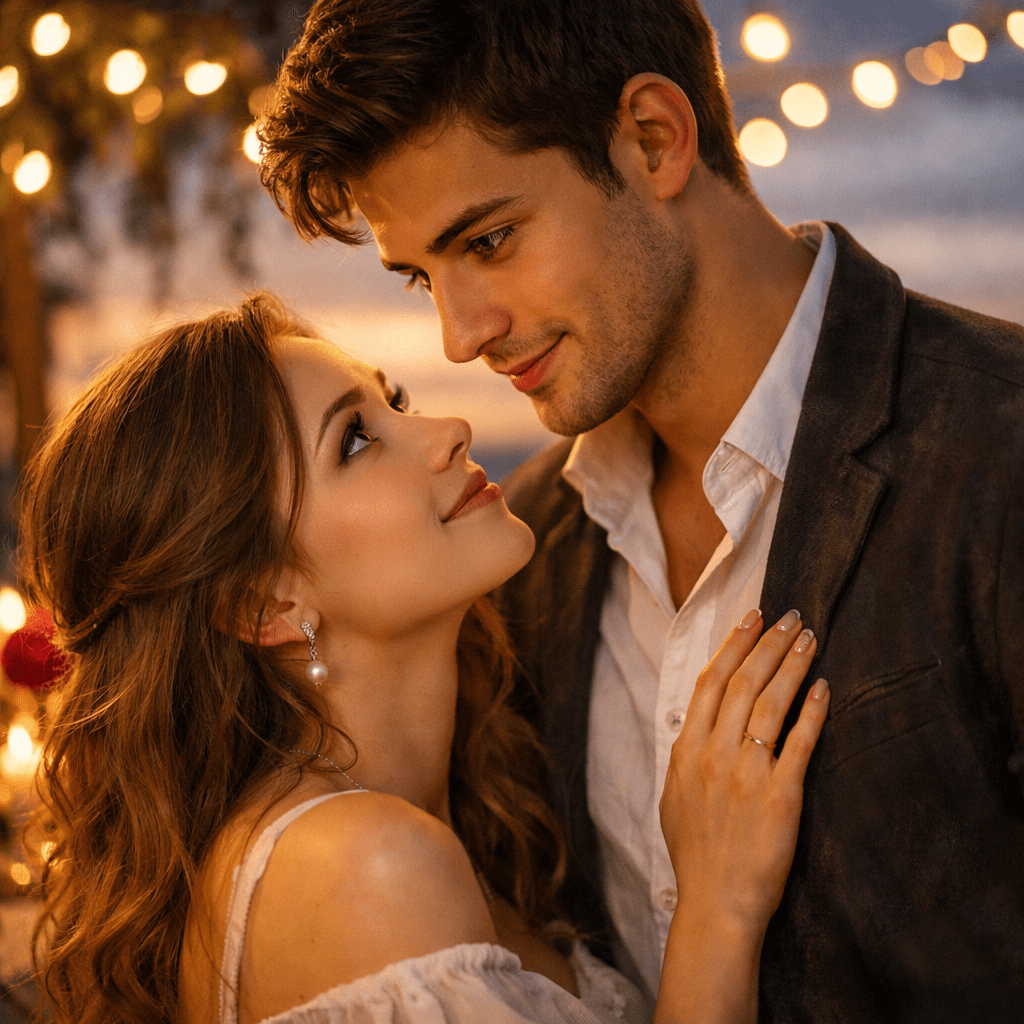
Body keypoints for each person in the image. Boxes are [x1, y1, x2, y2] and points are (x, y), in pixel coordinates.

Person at [256, 0, 1024, 1020]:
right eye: (419, 278)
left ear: (655, 139)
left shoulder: (999, 446)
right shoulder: (523, 551)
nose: (458, 335)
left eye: (489, 240)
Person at [22, 294, 829, 1024]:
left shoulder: (434, 824)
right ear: (263, 605)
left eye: (395, 400)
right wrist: (718, 908)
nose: (450, 431)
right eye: (357, 440)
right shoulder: (364, 870)